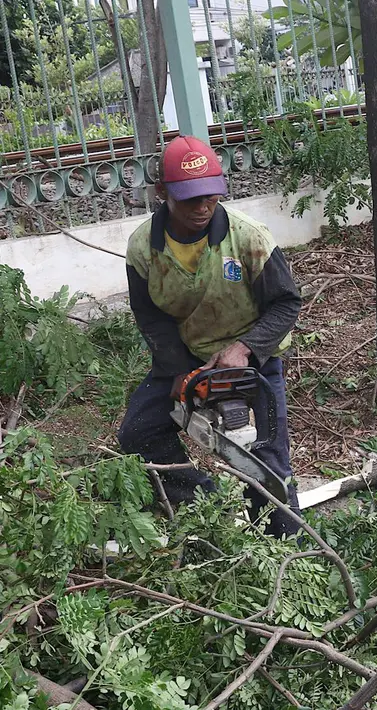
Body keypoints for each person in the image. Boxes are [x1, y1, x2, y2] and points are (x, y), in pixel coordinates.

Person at [118, 135, 303, 538]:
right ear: (163, 192)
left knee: (266, 458)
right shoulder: (143, 248)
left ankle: (284, 545)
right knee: (138, 432)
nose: (202, 207)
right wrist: (182, 372)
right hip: (184, 352)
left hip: (253, 358)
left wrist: (245, 349)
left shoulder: (249, 237)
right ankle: (206, 506)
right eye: (190, 199)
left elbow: (287, 303)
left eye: (210, 197)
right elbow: (150, 317)